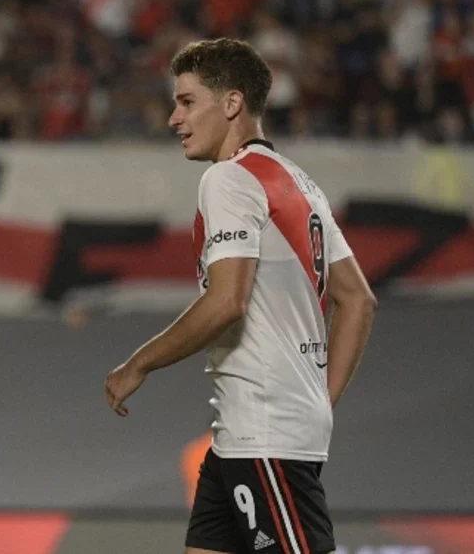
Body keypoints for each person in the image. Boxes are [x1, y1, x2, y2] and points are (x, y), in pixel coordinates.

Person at [103, 38, 377, 554]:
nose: (172, 118)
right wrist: (320, 400)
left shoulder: (228, 178)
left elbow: (227, 301)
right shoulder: (299, 182)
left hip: (265, 432)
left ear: (231, 103)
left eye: (186, 102)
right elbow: (359, 300)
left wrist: (138, 364)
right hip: (240, 435)